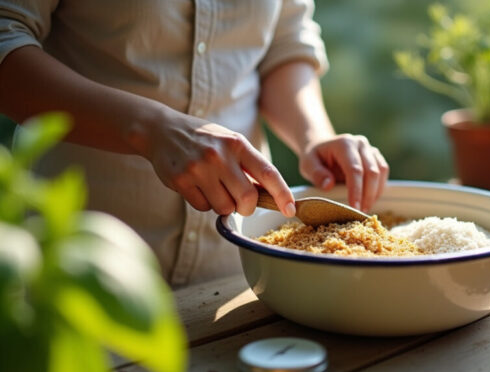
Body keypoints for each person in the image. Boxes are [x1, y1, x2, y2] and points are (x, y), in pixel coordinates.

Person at [0, 0, 389, 285]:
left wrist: (314, 138)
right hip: (83, 262)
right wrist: (151, 128)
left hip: (234, 268)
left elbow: (284, 42)